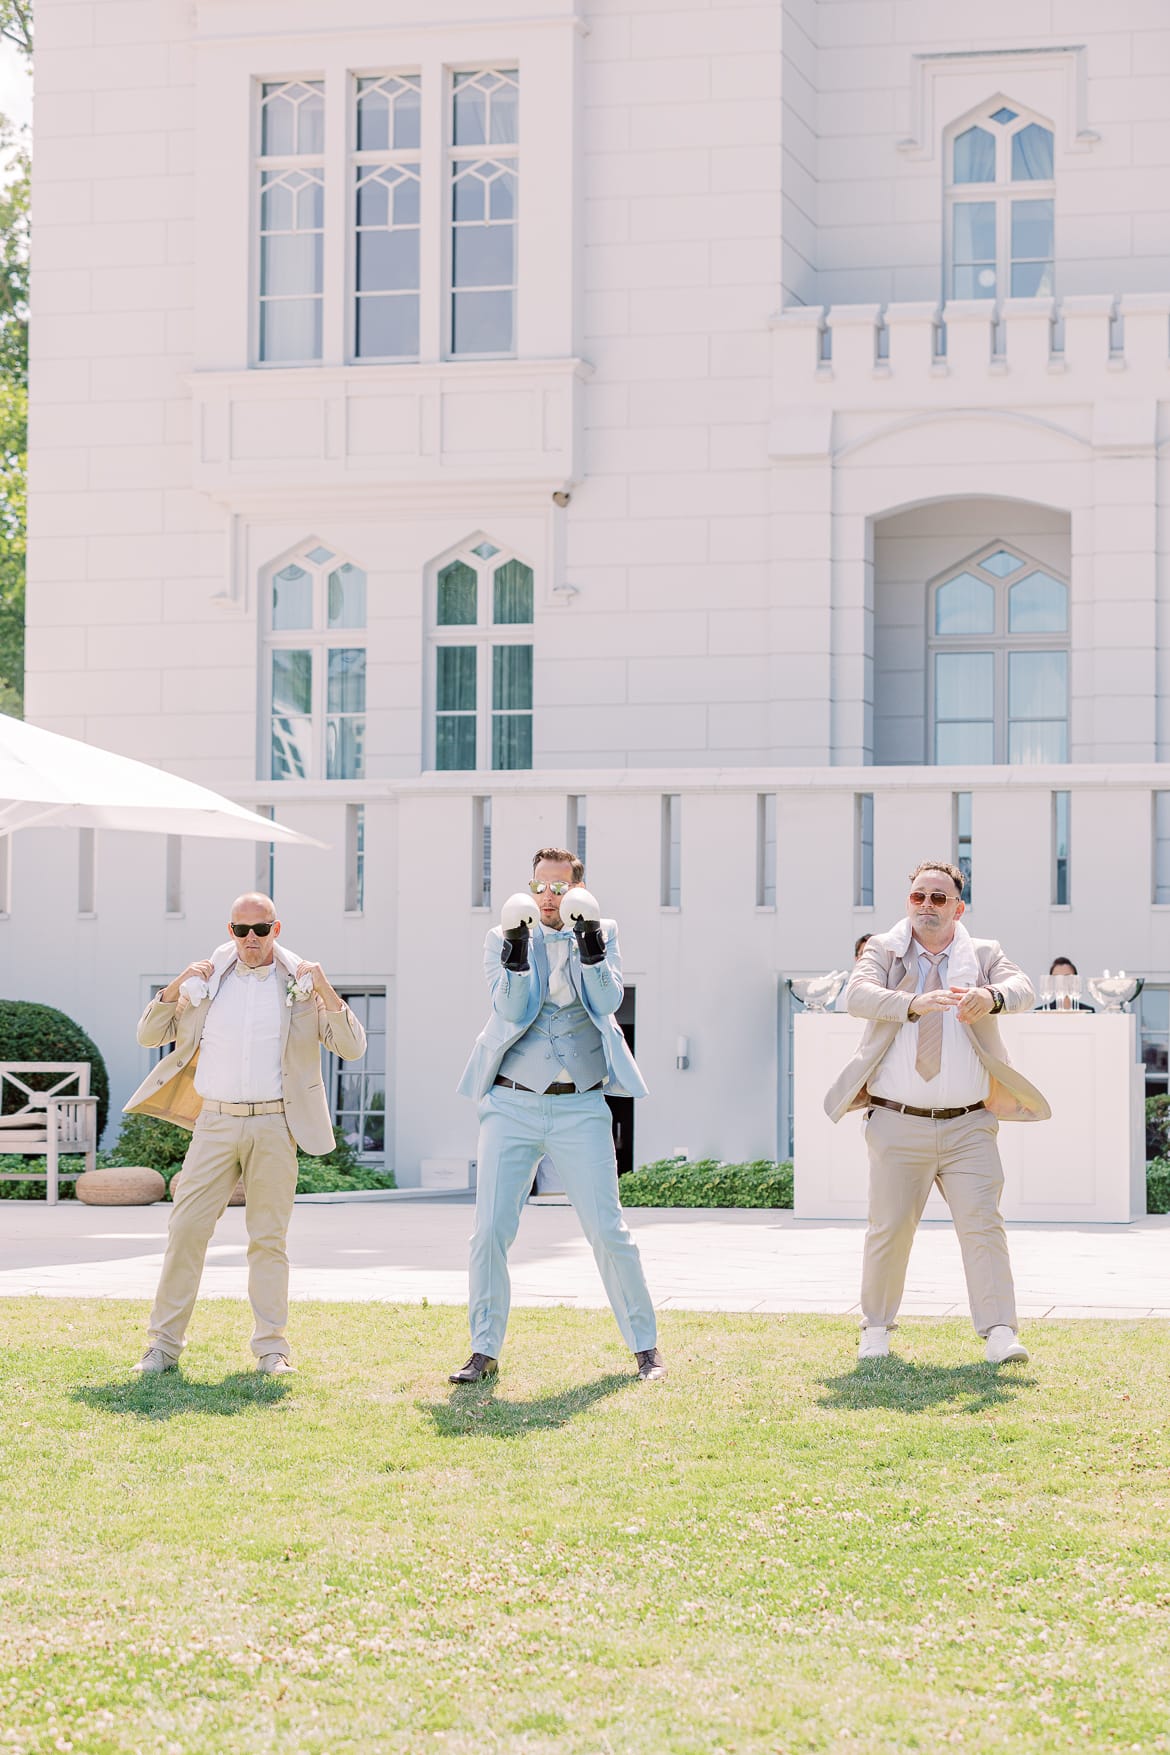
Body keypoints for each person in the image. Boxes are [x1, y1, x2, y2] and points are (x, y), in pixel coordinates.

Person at [124, 892, 367, 1375]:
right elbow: (149, 1036)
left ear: (277, 930)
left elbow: (352, 1048)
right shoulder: (208, 983)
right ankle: (163, 1347)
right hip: (214, 1123)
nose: (250, 939)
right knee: (186, 1231)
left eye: (260, 930)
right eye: (240, 930)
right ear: (229, 931)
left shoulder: (300, 984)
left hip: (277, 1123)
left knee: (268, 1240)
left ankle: (272, 1349)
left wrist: (324, 988)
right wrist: (176, 985)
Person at [824, 861, 1050, 1365]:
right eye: (918, 897)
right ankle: (876, 1329)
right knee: (888, 1229)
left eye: (938, 899)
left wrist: (989, 996)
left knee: (983, 1225)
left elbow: (1024, 989)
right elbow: (856, 995)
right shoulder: (884, 949)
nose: (926, 906)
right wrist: (912, 1003)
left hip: (969, 1124)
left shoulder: (984, 954)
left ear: (958, 908)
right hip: (896, 1121)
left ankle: (999, 1332)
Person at [454, 847, 664, 1384]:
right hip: (512, 1101)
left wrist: (589, 944)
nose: (548, 896)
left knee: (608, 1229)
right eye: (540, 886)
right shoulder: (501, 935)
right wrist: (519, 952)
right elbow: (512, 1011)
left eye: (559, 887)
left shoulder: (604, 929)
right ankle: (483, 1349)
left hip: (581, 1103)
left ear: (576, 888)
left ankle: (645, 1348)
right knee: (489, 1231)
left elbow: (608, 999)